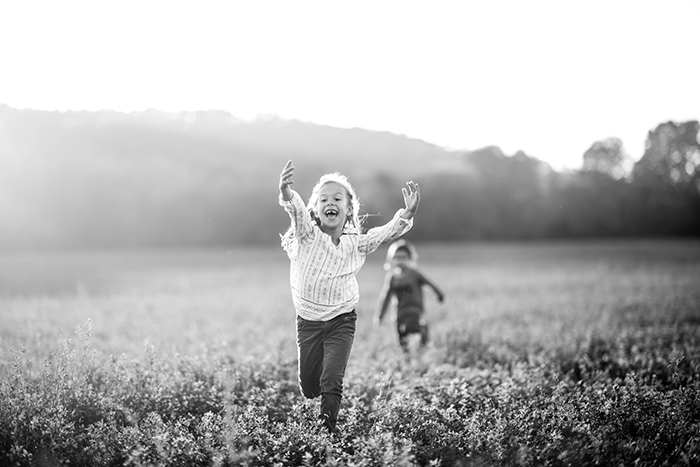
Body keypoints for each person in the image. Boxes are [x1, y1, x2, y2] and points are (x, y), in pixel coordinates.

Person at [278, 159, 420, 434]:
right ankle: (316, 401)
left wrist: (406, 214)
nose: (330, 202)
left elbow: (385, 233)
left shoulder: (356, 242)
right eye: (323, 199)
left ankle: (327, 433)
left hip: (342, 320)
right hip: (308, 322)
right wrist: (285, 192)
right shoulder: (307, 234)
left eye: (337, 198)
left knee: (332, 378)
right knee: (309, 388)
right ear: (316, 210)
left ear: (348, 208)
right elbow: (294, 210)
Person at [374, 239, 444, 351]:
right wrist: (380, 315)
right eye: (396, 257)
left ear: (409, 258)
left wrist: (439, 295)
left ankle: (423, 343)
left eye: (403, 257)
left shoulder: (415, 274)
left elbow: (429, 283)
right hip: (398, 312)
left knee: (414, 327)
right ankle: (406, 357)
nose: (399, 260)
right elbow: (386, 297)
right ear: (391, 259)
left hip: (414, 309)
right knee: (401, 338)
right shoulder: (392, 277)